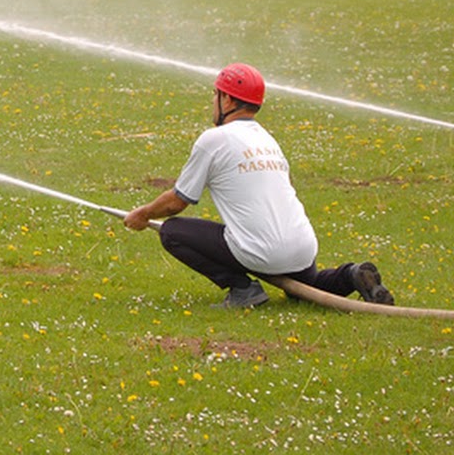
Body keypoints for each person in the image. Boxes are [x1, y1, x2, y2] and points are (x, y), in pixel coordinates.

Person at [124, 63, 395, 309]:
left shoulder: (213, 140)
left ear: (227, 99)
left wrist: (143, 214)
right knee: (304, 290)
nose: (212, 101)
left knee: (173, 231)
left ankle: (243, 289)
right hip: (302, 247)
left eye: (215, 95)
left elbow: (177, 201)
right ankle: (350, 275)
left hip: (260, 251)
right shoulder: (267, 139)